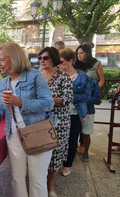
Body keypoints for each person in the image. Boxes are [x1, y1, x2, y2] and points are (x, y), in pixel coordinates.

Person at [0, 42, 55, 197]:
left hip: (37, 133)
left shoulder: (34, 76)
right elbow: (0, 111)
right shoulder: (4, 83)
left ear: (15, 58)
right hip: (14, 136)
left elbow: (48, 103)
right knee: (16, 179)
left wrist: (22, 102)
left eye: (2, 60)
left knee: (36, 180)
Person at [39, 47, 73, 196]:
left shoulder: (64, 77)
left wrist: (46, 101)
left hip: (60, 121)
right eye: (40, 58)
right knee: (39, 151)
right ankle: (38, 182)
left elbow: (67, 99)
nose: (41, 61)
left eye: (45, 58)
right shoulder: (36, 76)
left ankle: (50, 186)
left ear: (53, 58)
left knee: (56, 153)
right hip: (39, 120)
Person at [59, 48, 91, 176]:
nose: (59, 65)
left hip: (75, 113)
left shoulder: (82, 77)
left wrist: (70, 96)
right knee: (57, 139)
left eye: (61, 62)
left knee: (72, 140)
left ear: (71, 61)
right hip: (58, 113)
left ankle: (67, 164)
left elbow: (88, 96)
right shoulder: (57, 75)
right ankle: (56, 161)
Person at [74, 43, 104, 154]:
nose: (79, 55)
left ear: (87, 53)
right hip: (77, 98)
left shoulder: (96, 63)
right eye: (77, 53)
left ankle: (83, 146)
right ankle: (74, 143)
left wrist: (94, 90)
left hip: (89, 98)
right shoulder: (75, 65)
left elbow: (101, 80)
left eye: (81, 53)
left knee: (86, 121)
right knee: (75, 120)